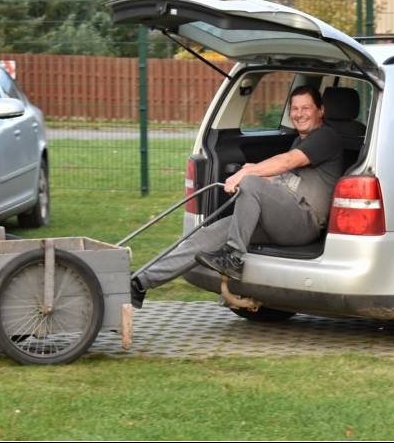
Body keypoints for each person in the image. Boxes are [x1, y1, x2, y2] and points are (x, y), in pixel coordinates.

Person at [129, 85, 343, 309]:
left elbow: (288, 161)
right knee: (206, 236)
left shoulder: (325, 137)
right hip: (283, 217)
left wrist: (246, 174)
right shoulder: (300, 140)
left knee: (250, 181)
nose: (299, 114)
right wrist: (257, 172)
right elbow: (288, 179)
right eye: (295, 109)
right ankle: (139, 283)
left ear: (320, 110)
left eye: (306, 108)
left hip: (304, 222)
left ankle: (233, 258)